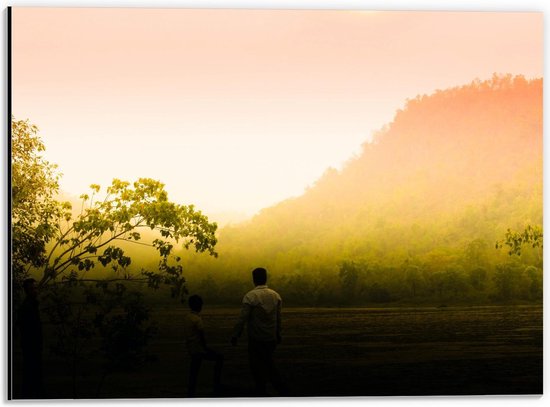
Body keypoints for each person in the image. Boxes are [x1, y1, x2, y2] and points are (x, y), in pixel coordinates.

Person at [231, 267, 286, 396]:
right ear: (266, 278)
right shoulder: (276, 296)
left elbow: (242, 319)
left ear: (254, 279)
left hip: (256, 339)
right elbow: (279, 318)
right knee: (268, 362)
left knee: (257, 367)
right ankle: (275, 390)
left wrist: (235, 335)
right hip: (270, 338)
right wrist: (278, 334)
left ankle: (266, 391)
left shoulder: (250, 297)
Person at [183, 294, 223, 397]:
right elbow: (201, 336)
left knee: (194, 369)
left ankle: (191, 391)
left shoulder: (187, 317)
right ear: (199, 306)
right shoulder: (197, 319)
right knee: (219, 358)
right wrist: (206, 348)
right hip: (198, 348)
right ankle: (216, 385)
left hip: (191, 347)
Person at [17, 278, 43, 399]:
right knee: (31, 372)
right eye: (32, 289)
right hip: (31, 346)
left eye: (36, 288)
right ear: (27, 291)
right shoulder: (27, 306)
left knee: (31, 372)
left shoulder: (30, 305)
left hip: (32, 346)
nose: (35, 291)